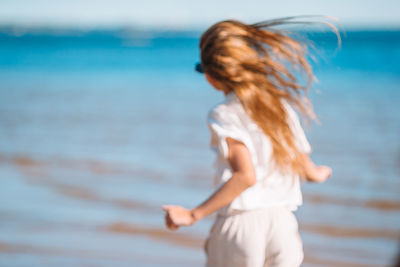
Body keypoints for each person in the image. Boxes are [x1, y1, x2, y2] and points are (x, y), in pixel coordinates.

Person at [162, 17, 336, 267]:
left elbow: (245, 176)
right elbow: (300, 161)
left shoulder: (224, 114)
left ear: (212, 76)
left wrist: (192, 214)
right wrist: (318, 173)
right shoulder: (281, 108)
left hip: (241, 226)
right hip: (282, 225)